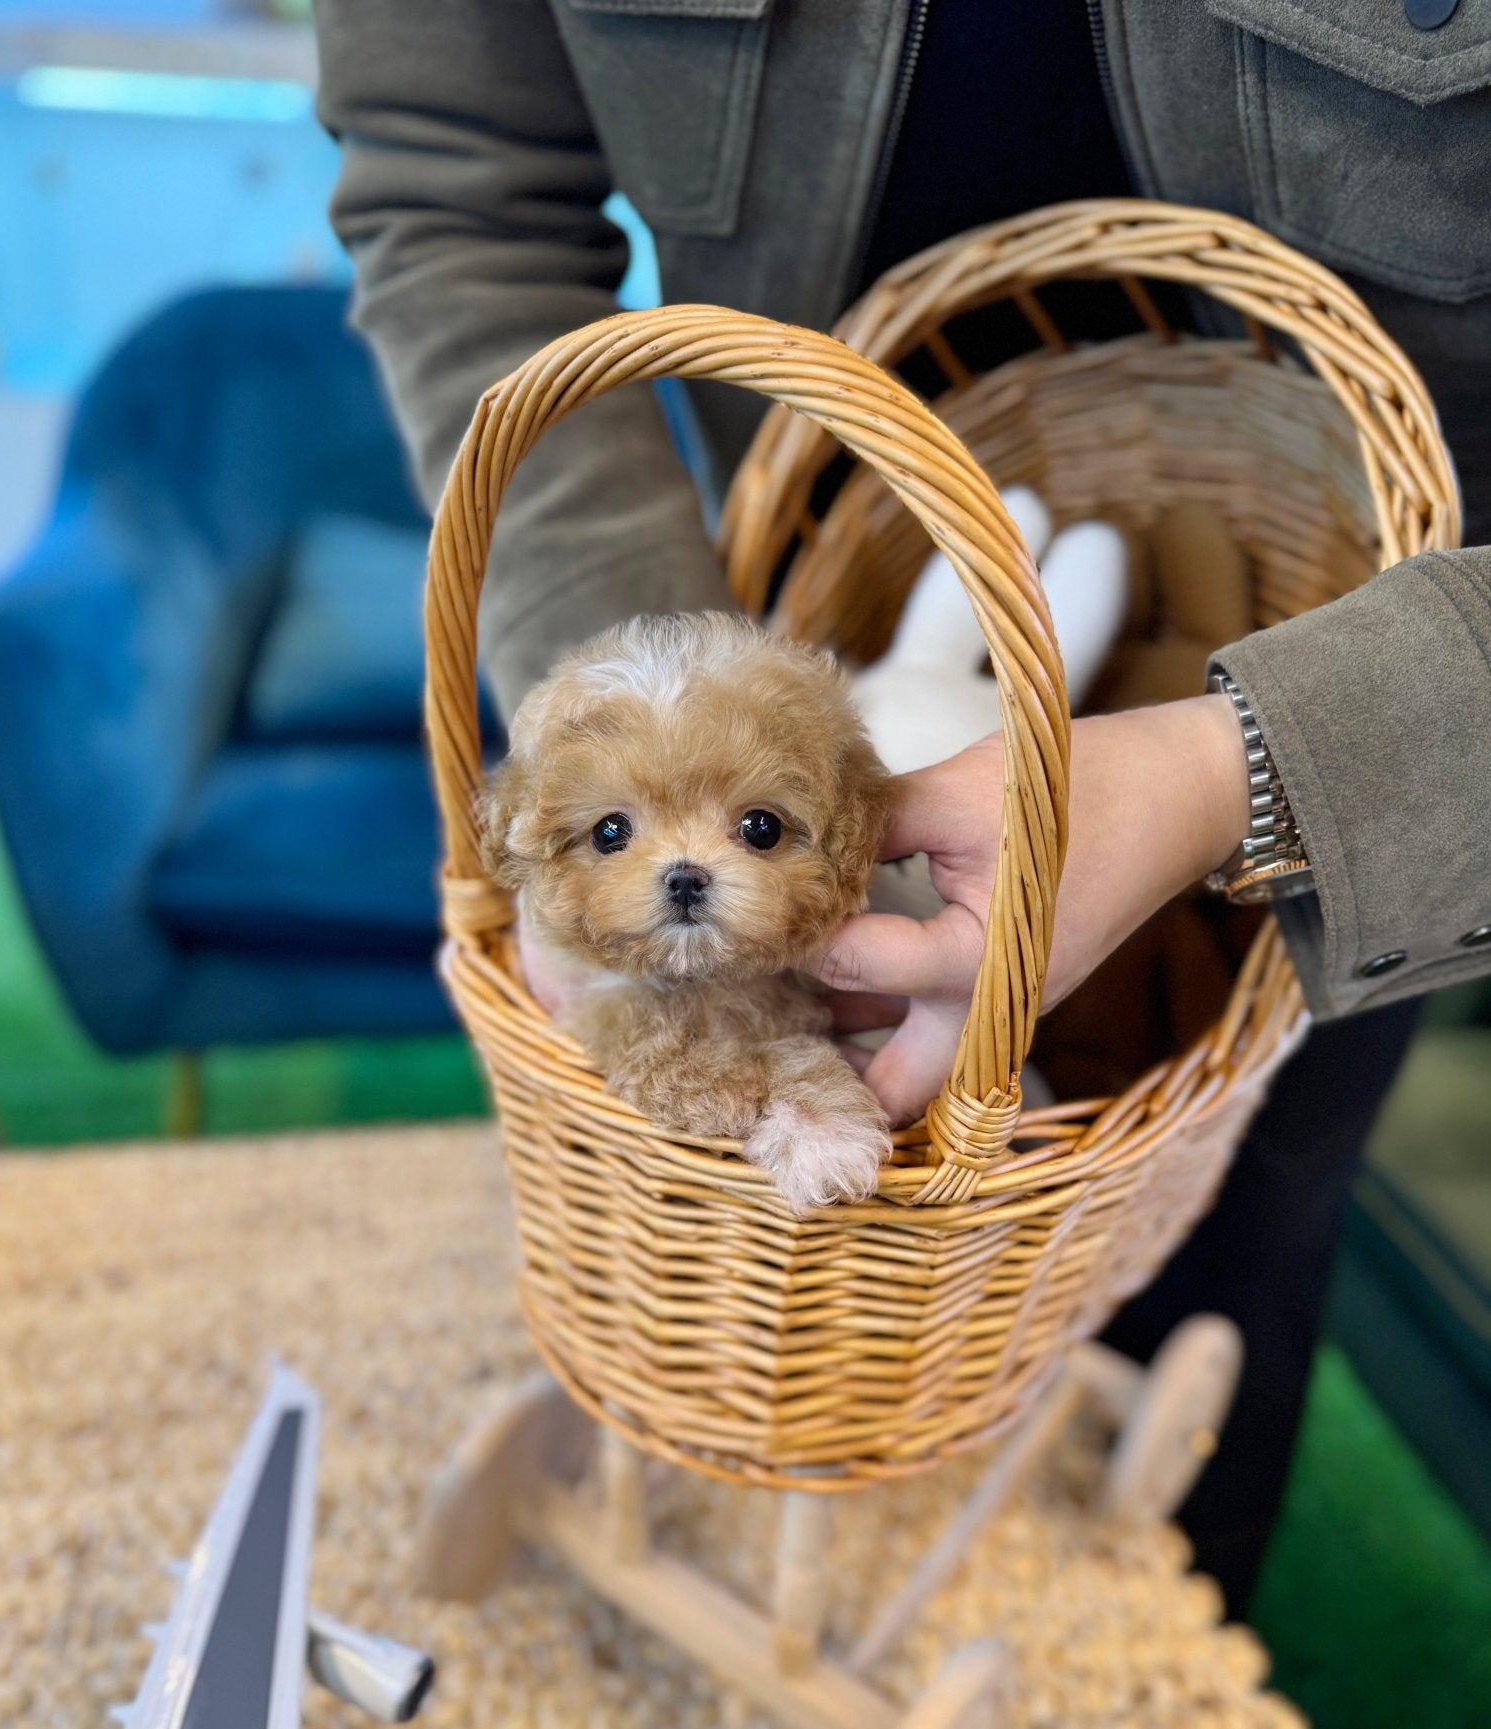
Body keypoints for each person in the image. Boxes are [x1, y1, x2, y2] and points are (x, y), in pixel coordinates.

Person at [312, 0, 1491, 1613]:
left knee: (1239, 1195)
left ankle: (1147, 1651)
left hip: (1396, 653)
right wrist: (653, 722)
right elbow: (456, 193)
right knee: (765, 1245)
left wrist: (1252, 766)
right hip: (821, 556)